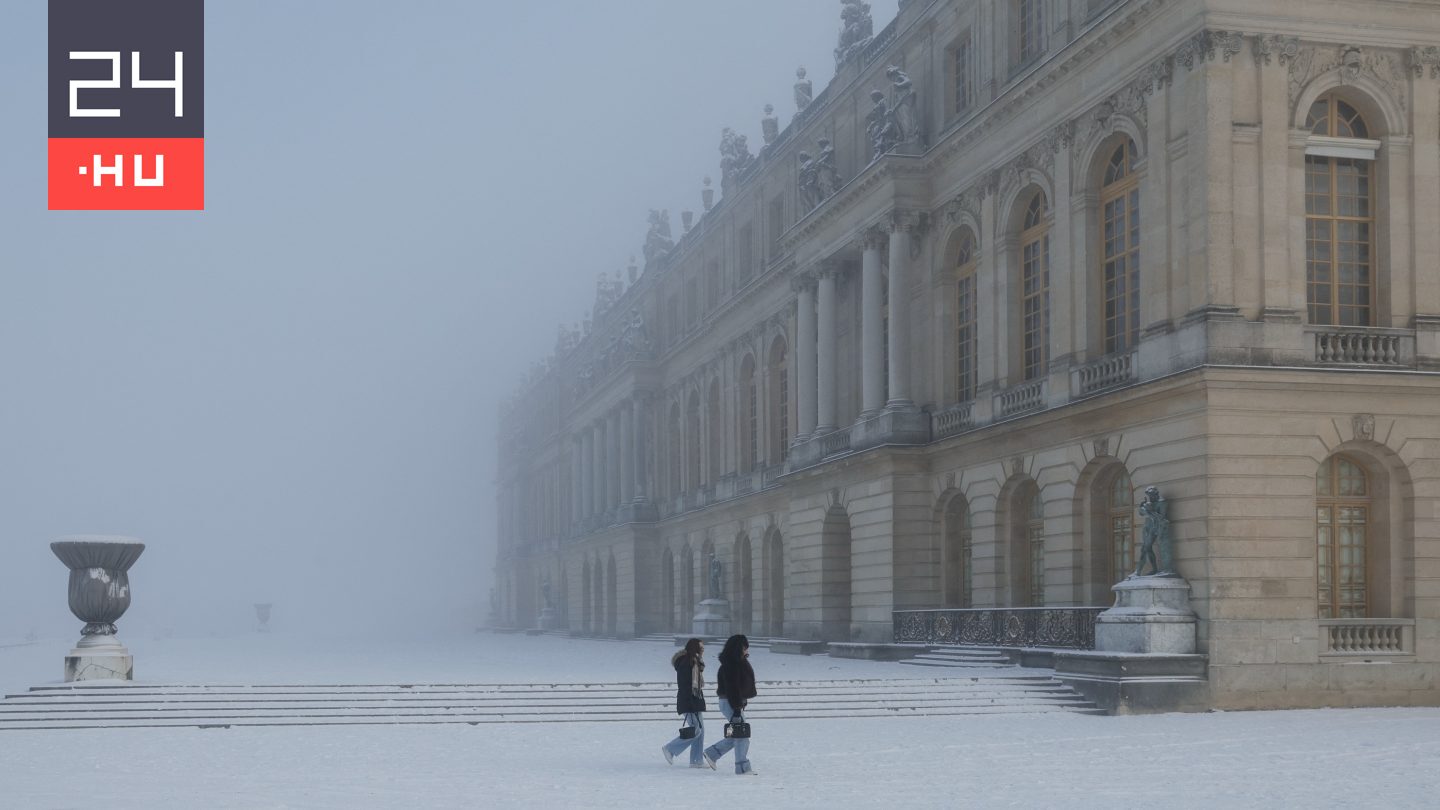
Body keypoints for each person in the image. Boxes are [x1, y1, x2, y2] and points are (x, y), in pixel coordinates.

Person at [702, 634, 757, 775]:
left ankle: (712, 753)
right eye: (745, 647)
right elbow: (732, 687)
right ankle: (742, 767)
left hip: (732, 702)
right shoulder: (731, 664)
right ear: (739, 648)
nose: (747, 650)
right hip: (730, 703)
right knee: (742, 735)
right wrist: (737, 707)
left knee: (737, 733)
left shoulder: (737, 661)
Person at [661, 638, 709, 768]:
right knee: (696, 730)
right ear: (695, 648)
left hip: (695, 699)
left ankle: (696, 761)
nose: (703, 649)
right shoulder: (686, 663)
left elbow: (696, 685)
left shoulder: (696, 663)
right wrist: (691, 703)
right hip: (688, 700)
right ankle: (670, 748)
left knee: (701, 730)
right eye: (701, 647)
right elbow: (684, 686)